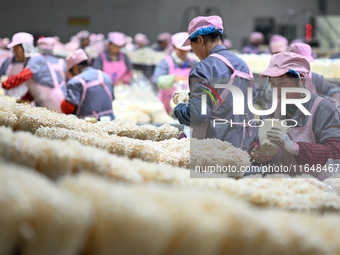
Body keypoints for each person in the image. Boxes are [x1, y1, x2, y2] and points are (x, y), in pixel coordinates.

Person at [249, 52, 340, 179]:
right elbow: (256, 141)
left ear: (301, 80)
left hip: (317, 187)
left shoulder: (323, 110)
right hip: (281, 187)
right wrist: (256, 152)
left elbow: (334, 150)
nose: (277, 90)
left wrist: (294, 148)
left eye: (282, 84)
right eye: (273, 84)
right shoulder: (271, 110)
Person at [174, 15, 257, 150]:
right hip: (241, 147)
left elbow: (197, 115)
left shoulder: (203, 68)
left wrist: (179, 108)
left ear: (200, 40)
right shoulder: (244, 66)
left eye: (192, 45)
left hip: (212, 148)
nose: (193, 52)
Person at [1, 32, 66, 111]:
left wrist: (3, 85)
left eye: (16, 48)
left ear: (26, 48)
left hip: (54, 100)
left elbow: (23, 76)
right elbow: (33, 88)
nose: (15, 52)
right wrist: (22, 101)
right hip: (45, 101)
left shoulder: (36, 59)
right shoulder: (30, 61)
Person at [61, 49, 114, 121]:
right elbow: (112, 99)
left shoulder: (75, 82)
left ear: (75, 68)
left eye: (70, 72)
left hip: (86, 125)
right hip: (109, 123)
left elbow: (68, 108)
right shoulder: (106, 77)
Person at [153, 32, 197, 114]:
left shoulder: (193, 63)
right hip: (166, 106)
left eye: (186, 50)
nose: (183, 52)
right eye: (180, 50)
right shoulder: (165, 62)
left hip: (187, 106)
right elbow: (157, 81)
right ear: (173, 47)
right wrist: (174, 79)